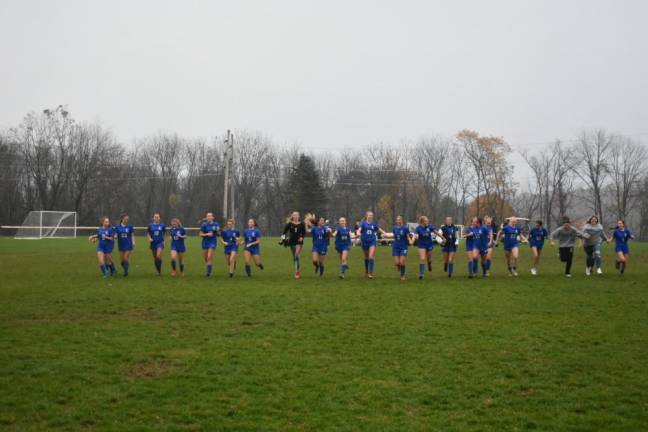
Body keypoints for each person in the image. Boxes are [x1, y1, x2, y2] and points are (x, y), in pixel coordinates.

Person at [356, 211, 388, 279]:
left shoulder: (374, 224)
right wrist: (358, 232)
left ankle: (370, 273)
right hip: (364, 242)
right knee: (366, 257)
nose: (370, 216)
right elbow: (359, 230)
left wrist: (385, 233)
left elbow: (379, 229)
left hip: (372, 242)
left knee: (371, 257)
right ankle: (366, 271)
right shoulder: (363, 224)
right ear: (366, 216)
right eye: (369, 215)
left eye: (371, 215)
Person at [414, 215, 444, 280]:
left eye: (427, 220)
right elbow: (416, 236)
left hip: (429, 244)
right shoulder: (418, 228)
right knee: (422, 258)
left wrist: (443, 238)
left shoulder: (430, 226)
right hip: (421, 245)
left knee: (429, 258)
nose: (428, 222)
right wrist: (415, 237)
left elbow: (436, 232)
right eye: (426, 221)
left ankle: (429, 264)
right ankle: (421, 274)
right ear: (422, 222)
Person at [389, 215, 414, 280]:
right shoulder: (394, 228)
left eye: (400, 219)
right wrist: (386, 235)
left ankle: (402, 275)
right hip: (396, 246)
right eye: (397, 220)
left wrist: (410, 241)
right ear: (396, 221)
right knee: (397, 263)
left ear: (402, 220)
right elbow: (394, 236)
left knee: (402, 262)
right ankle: (398, 266)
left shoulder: (405, 228)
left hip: (403, 246)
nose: (399, 221)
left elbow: (408, 236)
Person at [282, 211, 306, 279]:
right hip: (291, 242)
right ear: (292, 216)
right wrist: (283, 240)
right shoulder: (289, 224)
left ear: (299, 216)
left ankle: (297, 272)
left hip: (299, 242)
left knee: (296, 255)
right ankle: (297, 267)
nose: (295, 216)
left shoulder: (302, 224)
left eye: (296, 215)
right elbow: (284, 233)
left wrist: (302, 237)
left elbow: (304, 233)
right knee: (295, 257)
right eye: (294, 215)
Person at [199, 212, 220, 277]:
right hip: (205, 242)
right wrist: (206, 234)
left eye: (210, 216)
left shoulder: (216, 224)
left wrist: (218, 231)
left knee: (209, 256)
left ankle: (208, 273)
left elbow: (218, 234)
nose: (208, 217)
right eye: (207, 216)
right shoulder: (204, 225)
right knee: (206, 258)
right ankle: (209, 265)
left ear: (213, 217)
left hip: (212, 242)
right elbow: (200, 234)